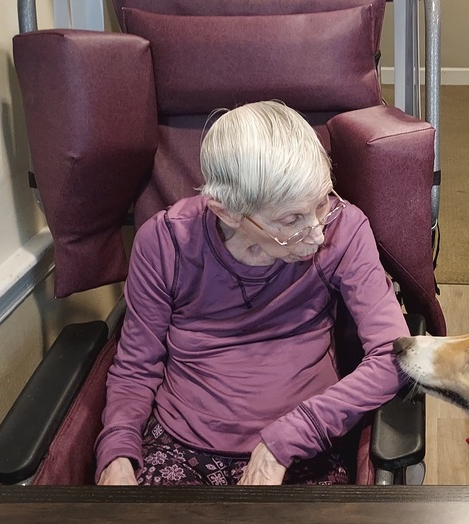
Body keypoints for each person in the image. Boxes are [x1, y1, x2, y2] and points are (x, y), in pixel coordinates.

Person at [96, 101, 407, 485]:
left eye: (322, 202)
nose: (317, 234)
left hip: (305, 444)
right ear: (227, 212)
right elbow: (135, 368)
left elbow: (395, 355)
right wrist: (118, 450)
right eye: (291, 220)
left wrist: (291, 436)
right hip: (181, 444)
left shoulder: (344, 229)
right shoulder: (165, 243)